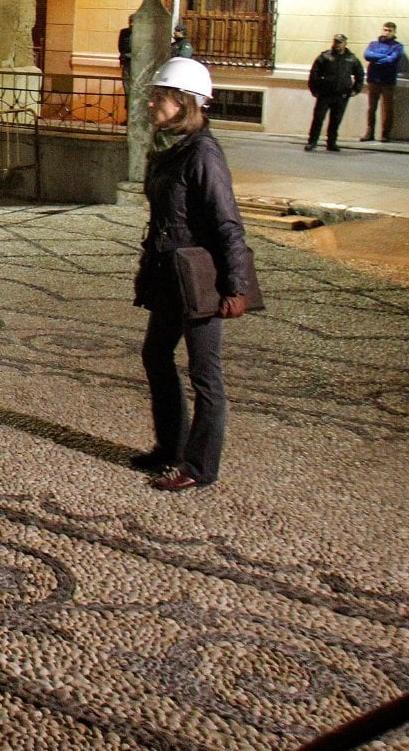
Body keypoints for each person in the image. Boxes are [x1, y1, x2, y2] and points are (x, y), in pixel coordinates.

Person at [129, 56, 256, 493]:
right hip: (168, 273)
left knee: (205, 373)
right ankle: (171, 447)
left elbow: (227, 222)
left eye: (159, 97)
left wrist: (236, 287)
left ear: (185, 103)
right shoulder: (169, 147)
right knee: (156, 355)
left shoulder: (203, 152)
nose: (150, 104)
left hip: (199, 277)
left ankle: (199, 466)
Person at [305, 34, 364, 152]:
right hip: (325, 94)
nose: (337, 44)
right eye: (336, 42)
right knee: (318, 118)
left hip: (342, 95)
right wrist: (314, 89)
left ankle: (331, 143)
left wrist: (355, 90)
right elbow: (314, 73)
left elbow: (360, 75)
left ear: (345, 44)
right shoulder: (325, 56)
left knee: (335, 121)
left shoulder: (351, 59)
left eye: (340, 42)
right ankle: (312, 142)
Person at [361, 22, 404, 142]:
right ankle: (370, 132)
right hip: (373, 79)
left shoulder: (397, 46)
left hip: (388, 81)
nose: (386, 32)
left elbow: (392, 59)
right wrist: (384, 56)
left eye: (389, 30)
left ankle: (386, 134)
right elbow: (367, 55)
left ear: (394, 32)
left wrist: (376, 58)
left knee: (388, 108)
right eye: (385, 30)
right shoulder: (373, 44)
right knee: (371, 108)